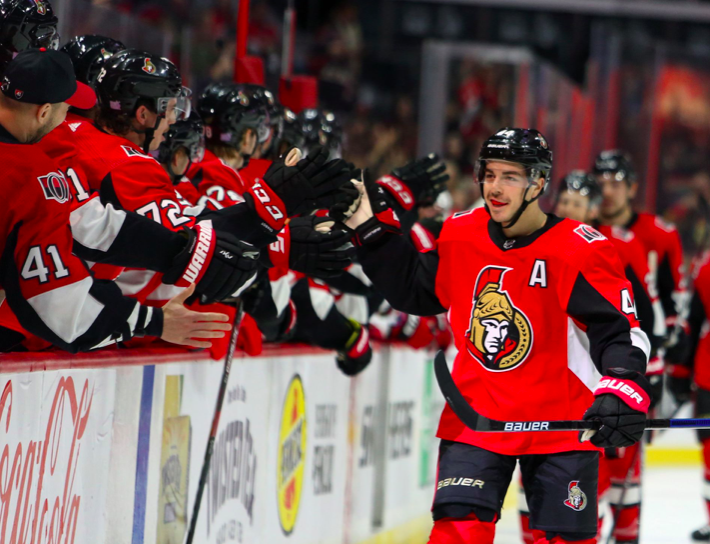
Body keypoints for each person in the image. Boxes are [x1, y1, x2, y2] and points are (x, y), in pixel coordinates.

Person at [345, 128, 651, 544]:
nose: (495, 187)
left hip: (560, 425)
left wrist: (622, 386)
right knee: (456, 534)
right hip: (477, 418)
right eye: (489, 175)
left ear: (539, 182)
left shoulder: (580, 249)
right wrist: (369, 230)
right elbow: (415, 290)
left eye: (510, 176)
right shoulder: (460, 233)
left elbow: (620, 330)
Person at [0, 48, 231, 352]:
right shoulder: (32, 176)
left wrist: (179, 249)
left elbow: (89, 223)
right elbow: (59, 306)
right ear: (43, 112)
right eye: (65, 111)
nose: (69, 122)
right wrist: (155, 321)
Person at [593, 151, 687, 543]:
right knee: (594, 453)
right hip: (590, 361)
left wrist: (668, 352)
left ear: (632, 188)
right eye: (602, 183)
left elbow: (674, 297)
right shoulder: (582, 230)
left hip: (641, 359)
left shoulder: (659, 234)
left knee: (628, 453)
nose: (608, 191)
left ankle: (628, 533)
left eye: (616, 183)